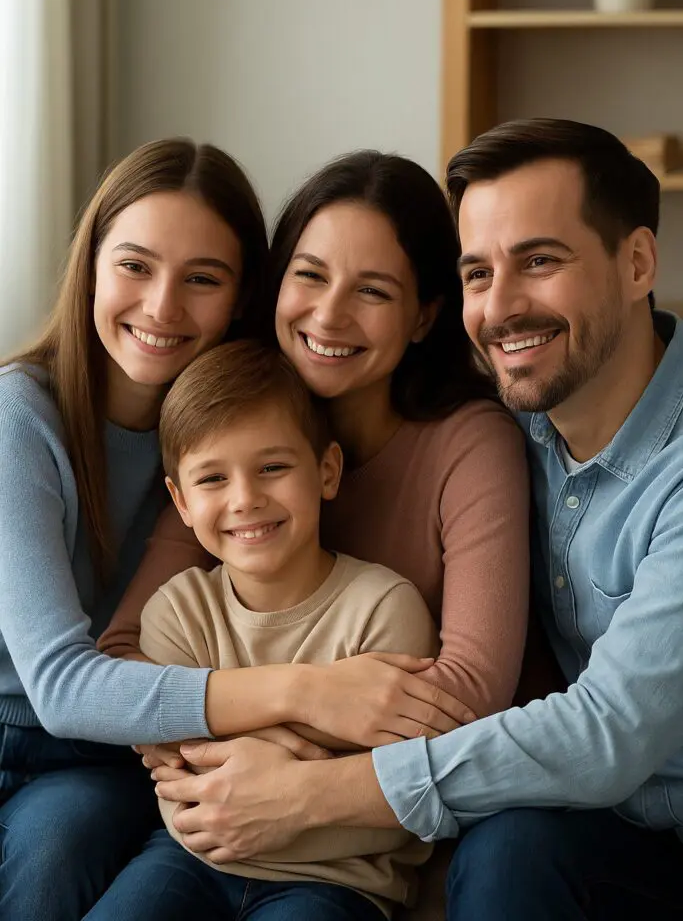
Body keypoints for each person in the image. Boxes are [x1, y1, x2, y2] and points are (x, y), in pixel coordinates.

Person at [145, 121, 683, 921]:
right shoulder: (523, 419)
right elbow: (122, 654)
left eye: (539, 260)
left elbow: (604, 733)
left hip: (646, 817)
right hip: (574, 819)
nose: (499, 307)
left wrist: (309, 792)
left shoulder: (512, 445)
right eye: (477, 272)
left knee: (508, 852)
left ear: (637, 262)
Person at [98, 151, 531, 910]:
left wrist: (295, 789)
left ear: (425, 314)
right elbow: (123, 660)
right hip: (211, 830)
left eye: (372, 291)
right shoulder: (235, 430)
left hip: (377, 839)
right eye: (309, 275)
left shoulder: (468, 441)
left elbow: (463, 696)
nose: (329, 316)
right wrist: (271, 729)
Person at [0, 137, 272, 921]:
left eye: (202, 280)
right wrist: (312, 694)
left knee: (63, 847)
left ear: (239, 298)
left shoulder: (235, 454)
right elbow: (56, 687)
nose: (161, 307)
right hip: (38, 719)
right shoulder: (21, 416)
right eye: (135, 266)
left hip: (96, 758)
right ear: (90, 263)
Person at [86, 338, 441, 921]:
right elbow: (178, 787)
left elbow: (400, 795)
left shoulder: (384, 609)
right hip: (192, 858)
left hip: (339, 884)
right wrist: (303, 746)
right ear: (178, 500)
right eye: (212, 479)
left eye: (272, 467)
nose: (246, 499)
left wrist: (228, 748)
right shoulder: (175, 612)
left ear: (327, 470)